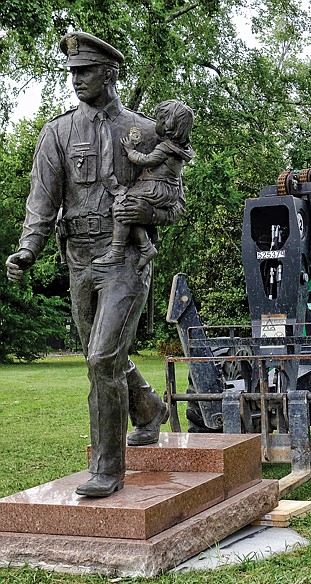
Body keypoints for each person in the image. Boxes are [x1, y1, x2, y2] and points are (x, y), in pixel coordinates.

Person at [5, 32, 187, 498]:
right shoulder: (57, 132)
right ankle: (147, 409)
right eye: (72, 73)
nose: (76, 80)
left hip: (125, 259)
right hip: (79, 261)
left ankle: (108, 470)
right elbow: (41, 202)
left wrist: (141, 210)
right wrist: (28, 249)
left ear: (109, 73)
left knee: (101, 357)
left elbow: (172, 202)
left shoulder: (147, 133)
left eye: (85, 71)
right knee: (104, 357)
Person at [93, 99, 194, 272]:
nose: (156, 122)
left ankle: (117, 250)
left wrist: (130, 150)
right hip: (164, 189)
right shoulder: (180, 148)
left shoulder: (163, 146)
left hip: (155, 188)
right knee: (130, 211)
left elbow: (146, 160)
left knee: (122, 204)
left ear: (167, 126)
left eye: (159, 119)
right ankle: (146, 248)